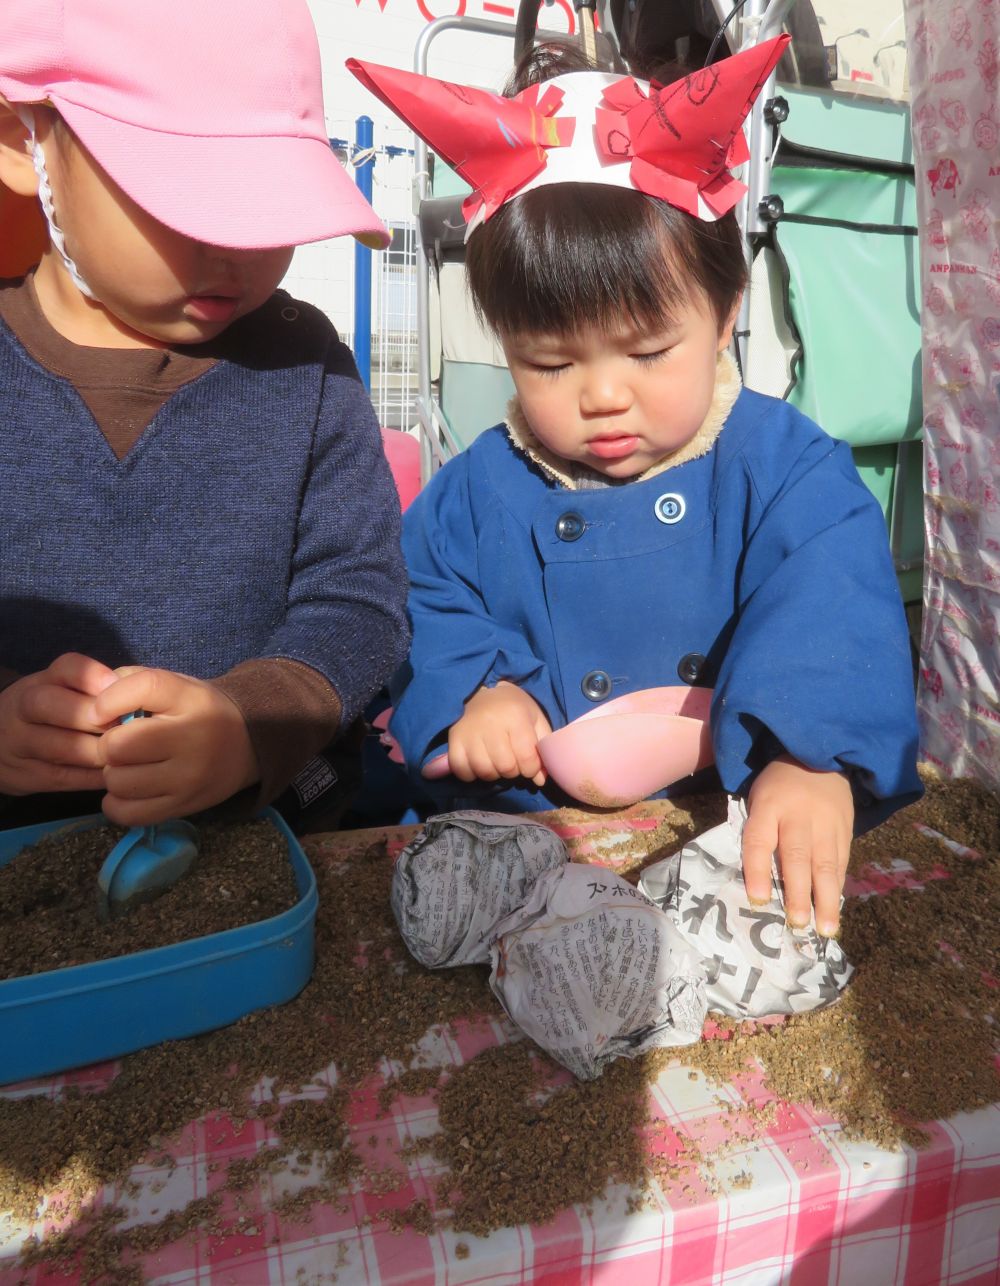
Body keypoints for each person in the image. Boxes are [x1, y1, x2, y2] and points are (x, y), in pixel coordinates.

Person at [350, 36, 923, 937]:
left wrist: (807, 759)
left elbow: (833, 605)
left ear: (726, 313)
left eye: (651, 351)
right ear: (503, 343)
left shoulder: (782, 465)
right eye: (549, 361)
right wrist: (477, 689)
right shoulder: (477, 488)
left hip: (724, 825)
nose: (604, 395)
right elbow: (413, 595)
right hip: (531, 835)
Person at [0, 0, 410, 834]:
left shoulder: (305, 366)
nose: (238, 247)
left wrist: (254, 722)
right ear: (24, 142)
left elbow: (362, 597)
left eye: (270, 208)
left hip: (267, 840)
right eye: (188, 198)